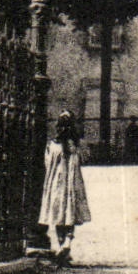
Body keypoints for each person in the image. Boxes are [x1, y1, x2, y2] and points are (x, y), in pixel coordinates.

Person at [38, 110, 90, 264]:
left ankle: (61, 245)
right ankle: (67, 243)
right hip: (71, 185)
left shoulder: (51, 145)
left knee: (58, 214)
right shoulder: (77, 146)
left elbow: (46, 164)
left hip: (55, 184)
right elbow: (85, 159)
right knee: (69, 213)